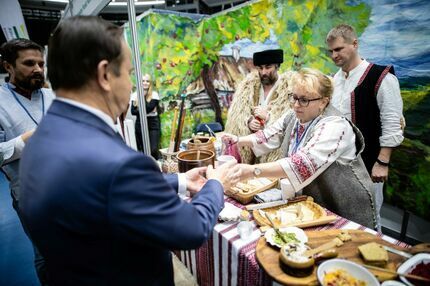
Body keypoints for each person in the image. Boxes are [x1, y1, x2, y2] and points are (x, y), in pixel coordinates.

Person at [19, 16, 241, 286]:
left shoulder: (44, 135)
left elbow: (98, 190)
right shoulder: (117, 163)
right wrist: (215, 184)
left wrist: (180, 181)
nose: (132, 85)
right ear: (104, 75)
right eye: (128, 73)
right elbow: (190, 229)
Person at [223, 68, 377, 228]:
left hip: (344, 206)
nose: (296, 105)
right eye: (294, 97)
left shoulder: (335, 126)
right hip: (316, 203)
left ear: (324, 101)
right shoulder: (294, 116)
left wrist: (251, 171)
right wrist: (238, 140)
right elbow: (268, 136)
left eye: (304, 100)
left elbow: (301, 164)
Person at [326, 24, 404, 229]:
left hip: (369, 162)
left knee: (368, 217)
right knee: (341, 217)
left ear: (355, 44)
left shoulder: (381, 77)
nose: (334, 55)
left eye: (339, 49)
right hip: (338, 164)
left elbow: (392, 123)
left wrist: (383, 161)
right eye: (331, 51)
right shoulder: (335, 80)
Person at [0, 38, 55, 284]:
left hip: (68, 186)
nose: (38, 70)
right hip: (29, 194)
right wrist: (27, 139)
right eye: (29, 63)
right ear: (8, 66)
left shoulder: (53, 95)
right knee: (46, 254)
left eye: (41, 64)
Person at [225, 48, 292, 164]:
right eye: (260, 68)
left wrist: (269, 117)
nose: (264, 72)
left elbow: (289, 121)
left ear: (277, 66)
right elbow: (237, 115)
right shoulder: (248, 87)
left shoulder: (288, 90)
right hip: (250, 149)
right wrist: (248, 121)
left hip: (272, 152)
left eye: (268, 67)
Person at [131, 73, 161, 159]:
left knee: (153, 150)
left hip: (153, 123)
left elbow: (148, 108)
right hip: (140, 123)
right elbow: (133, 111)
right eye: (143, 81)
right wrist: (147, 109)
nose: (145, 83)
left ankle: (157, 168)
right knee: (143, 150)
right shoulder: (134, 95)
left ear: (150, 83)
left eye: (147, 81)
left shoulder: (154, 94)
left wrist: (139, 108)